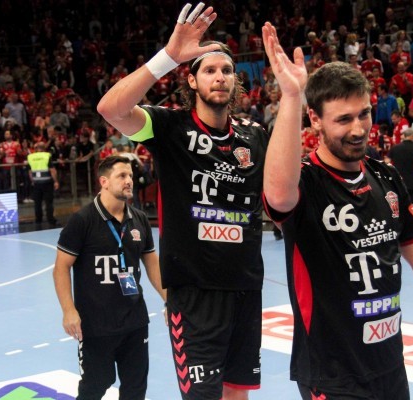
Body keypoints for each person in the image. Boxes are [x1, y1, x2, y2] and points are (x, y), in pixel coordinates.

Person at [261, 23, 413, 400]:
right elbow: (277, 194)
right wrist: (292, 95)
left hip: (389, 366)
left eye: (364, 114)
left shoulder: (385, 176)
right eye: (343, 119)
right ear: (315, 120)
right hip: (333, 376)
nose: (359, 129)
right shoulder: (306, 182)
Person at [97, 4, 267, 399]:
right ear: (191, 80)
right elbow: (110, 109)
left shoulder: (254, 136)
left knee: (238, 394)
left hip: (245, 287)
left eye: (227, 70)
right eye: (209, 70)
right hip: (193, 294)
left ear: (236, 81)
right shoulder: (170, 127)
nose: (219, 76)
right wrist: (169, 57)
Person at [53, 155, 164, 399]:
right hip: (95, 324)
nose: (129, 181)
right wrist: (68, 310)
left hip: (135, 320)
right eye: (121, 176)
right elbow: (61, 268)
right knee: (95, 385)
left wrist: (169, 299)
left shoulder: (139, 219)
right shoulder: (82, 220)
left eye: (130, 176)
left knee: (135, 388)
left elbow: (151, 263)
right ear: (104, 181)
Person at [27, 141, 59, 226]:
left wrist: (32, 181)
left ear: (36, 149)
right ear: (44, 148)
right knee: (48, 202)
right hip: (47, 182)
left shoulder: (31, 157)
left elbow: (30, 172)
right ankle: (51, 220)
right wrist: (56, 181)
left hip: (36, 182)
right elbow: (52, 170)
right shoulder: (47, 156)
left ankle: (38, 220)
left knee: (37, 203)